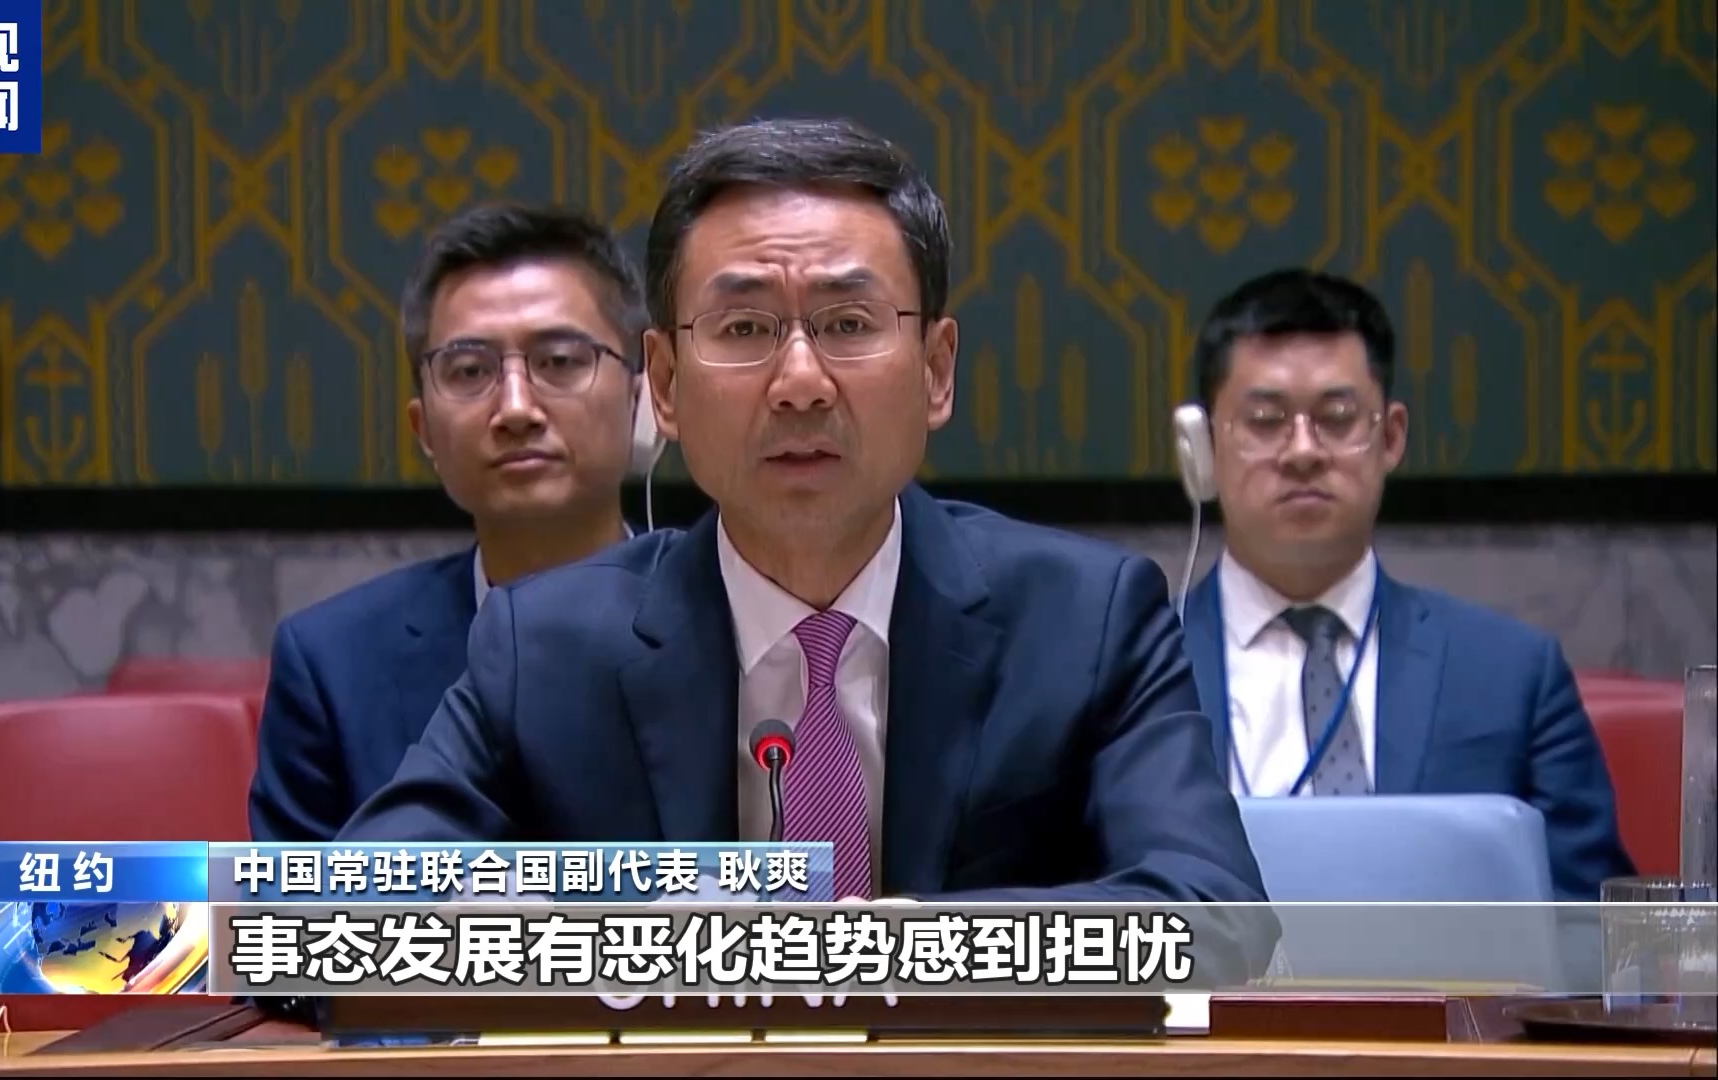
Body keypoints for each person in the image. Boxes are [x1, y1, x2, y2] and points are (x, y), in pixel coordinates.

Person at [339, 117, 1274, 973]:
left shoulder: (1085, 619)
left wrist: (886, 951)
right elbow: (341, 918)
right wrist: (627, 937)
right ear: (663, 384)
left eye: (848, 325)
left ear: (936, 371)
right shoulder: (544, 646)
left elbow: (1217, 918)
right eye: (744, 328)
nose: (799, 382)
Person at [1175, 267, 1635, 902]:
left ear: (1390, 438)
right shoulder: (1128, 674)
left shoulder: (1511, 677)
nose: (1303, 451)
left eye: (1337, 418)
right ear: (1202, 448)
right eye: (1265, 420)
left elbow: (1592, 930)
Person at [248, 203, 656, 843]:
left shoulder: (727, 621)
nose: (516, 409)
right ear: (424, 431)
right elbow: (293, 904)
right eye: (470, 371)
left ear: (642, 398)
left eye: (559, 361)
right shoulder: (331, 666)